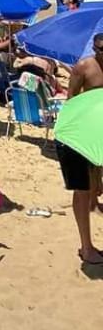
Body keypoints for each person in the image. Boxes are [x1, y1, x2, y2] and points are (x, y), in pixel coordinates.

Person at [57, 33, 103, 264]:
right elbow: (71, 100)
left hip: (100, 131)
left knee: (95, 184)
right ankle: (86, 247)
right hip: (82, 131)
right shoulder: (84, 67)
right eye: (99, 50)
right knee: (82, 189)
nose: (102, 54)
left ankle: (94, 202)